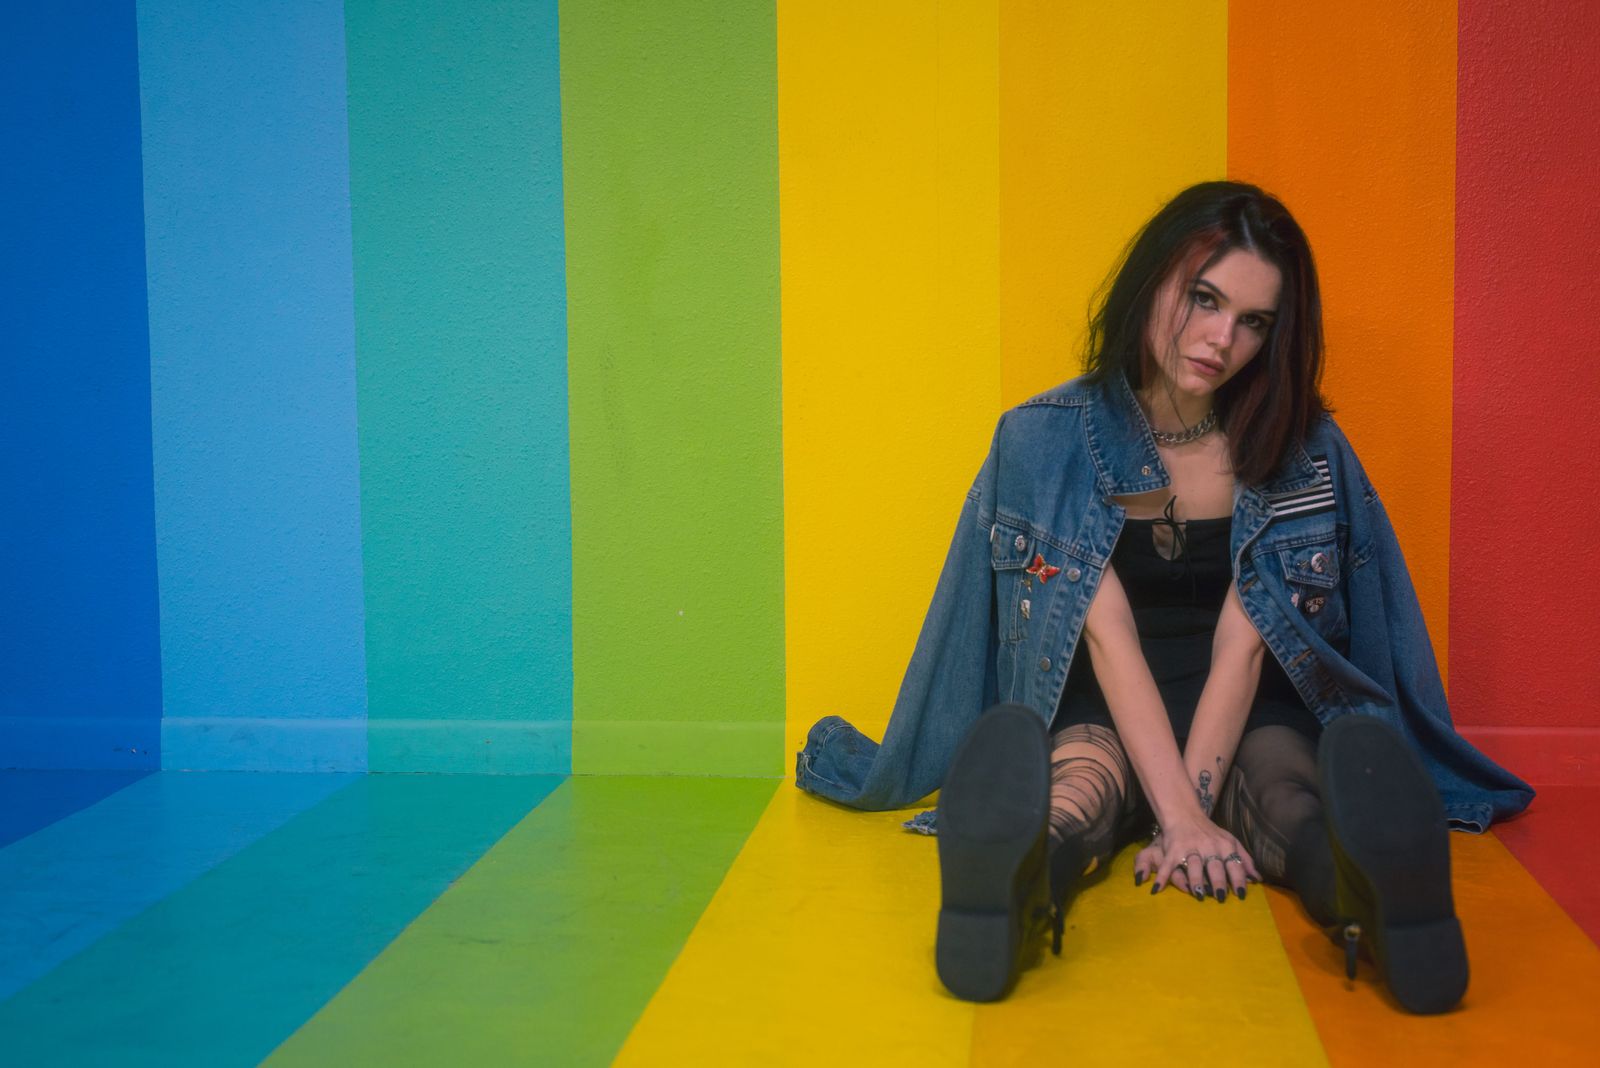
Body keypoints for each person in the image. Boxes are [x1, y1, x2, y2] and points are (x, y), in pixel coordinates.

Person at [794, 181, 1533, 1013]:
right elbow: (1105, 636)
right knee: (1076, 787)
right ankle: (1006, 891)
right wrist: (1181, 816)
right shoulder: (1043, 439)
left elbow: (1244, 645)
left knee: (1288, 794)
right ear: (1150, 281)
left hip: (1250, 705)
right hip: (1104, 702)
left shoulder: (1302, 448)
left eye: (1255, 322)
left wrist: (1191, 807)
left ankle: (1382, 898)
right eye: (1204, 299)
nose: (1223, 340)